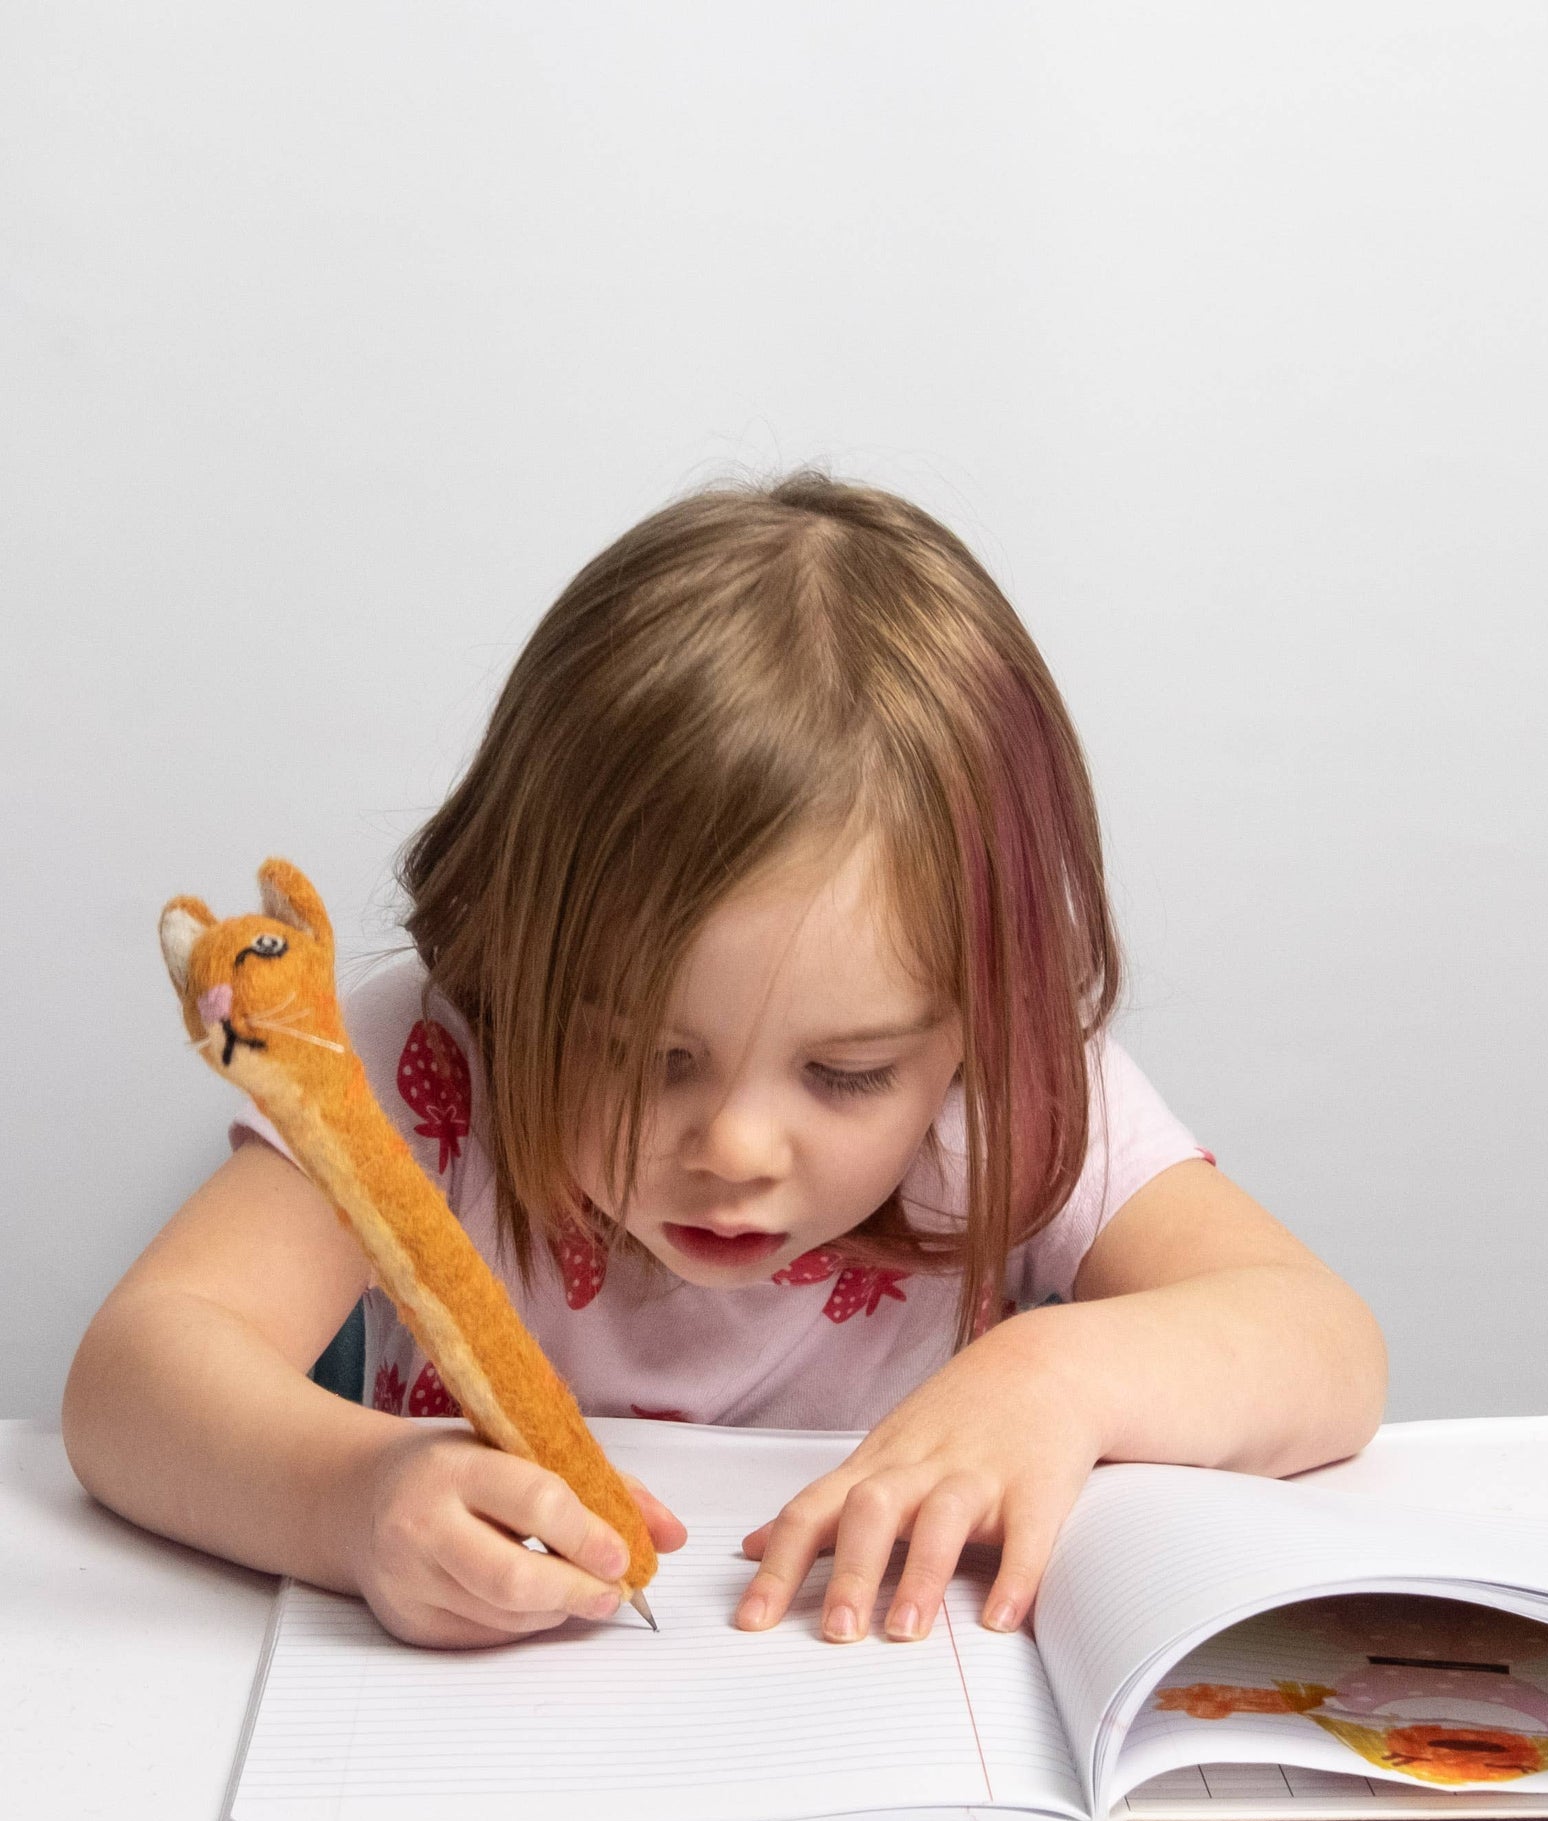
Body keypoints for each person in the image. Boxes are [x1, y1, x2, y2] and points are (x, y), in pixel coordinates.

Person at [63, 470, 1387, 1651]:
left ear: (977, 1016)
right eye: (648, 1055)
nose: (736, 1151)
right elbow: (136, 1377)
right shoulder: (428, 1062)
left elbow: (1326, 1347)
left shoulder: (1010, 1093)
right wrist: (352, 1503)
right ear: (515, 963)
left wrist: (1055, 1377)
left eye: (850, 1073)